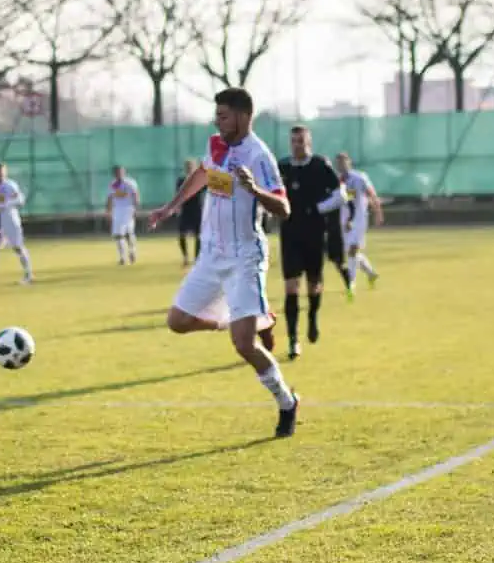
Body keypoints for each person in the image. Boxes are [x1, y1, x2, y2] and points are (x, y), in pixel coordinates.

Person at [147, 88, 300, 438]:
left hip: (244, 257)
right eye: (217, 115)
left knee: (245, 346)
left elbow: (283, 208)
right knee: (177, 321)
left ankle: (287, 402)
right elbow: (203, 174)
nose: (219, 121)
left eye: (224, 116)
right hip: (210, 255)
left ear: (245, 116)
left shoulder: (259, 156)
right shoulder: (217, 144)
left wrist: (254, 189)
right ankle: (235, 319)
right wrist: (170, 207)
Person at [276, 125, 346, 359]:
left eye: (302, 141)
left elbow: (340, 194)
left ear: (309, 142)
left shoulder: (320, 165)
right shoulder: (282, 167)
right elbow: (271, 193)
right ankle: (293, 340)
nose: (298, 145)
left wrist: (318, 209)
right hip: (290, 234)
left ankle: (313, 318)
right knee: (291, 286)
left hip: (315, 233)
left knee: (314, 284)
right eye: (294, 141)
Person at [334, 151, 384, 297]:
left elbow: (372, 194)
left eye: (343, 162)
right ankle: (371, 274)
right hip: (345, 220)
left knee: (352, 251)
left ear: (349, 162)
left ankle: (351, 284)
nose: (341, 165)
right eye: (338, 163)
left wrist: (378, 213)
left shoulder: (359, 177)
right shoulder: (338, 180)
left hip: (359, 219)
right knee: (352, 253)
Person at [0, 162, 34, 284]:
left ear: (5, 172)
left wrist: (6, 204)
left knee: (17, 247)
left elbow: (20, 200)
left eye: (2, 171)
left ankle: (28, 274)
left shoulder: (10, 185)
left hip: (10, 218)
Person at [107, 165, 140, 265]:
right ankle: (122, 257)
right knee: (118, 235)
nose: (119, 174)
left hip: (128, 209)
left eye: (121, 172)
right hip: (117, 210)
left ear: (124, 172)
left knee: (129, 233)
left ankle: (132, 251)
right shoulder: (112, 184)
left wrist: (136, 208)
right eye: (117, 172)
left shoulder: (130, 183)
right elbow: (109, 197)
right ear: (114, 174)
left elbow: (136, 195)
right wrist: (108, 211)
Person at [176, 158, 204, 266]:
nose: (189, 168)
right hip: (185, 209)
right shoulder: (181, 181)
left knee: (198, 235)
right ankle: (185, 257)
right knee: (182, 234)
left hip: (197, 209)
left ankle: (197, 258)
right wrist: (176, 207)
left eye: (191, 166)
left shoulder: (200, 180)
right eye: (187, 166)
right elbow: (178, 194)